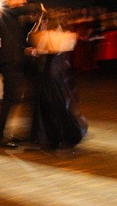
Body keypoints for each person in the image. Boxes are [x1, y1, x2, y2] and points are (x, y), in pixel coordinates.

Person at [26, 9, 87, 150]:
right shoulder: (70, 35)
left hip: (51, 71)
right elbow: (60, 50)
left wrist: (32, 49)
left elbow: (31, 40)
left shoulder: (48, 35)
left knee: (50, 104)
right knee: (62, 103)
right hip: (63, 71)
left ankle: (54, 138)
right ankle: (68, 135)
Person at [0, 0, 40, 148]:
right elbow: (28, 8)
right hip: (10, 62)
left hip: (17, 61)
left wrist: (26, 48)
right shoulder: (6, 12)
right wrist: (38, 7)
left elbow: (18, 39)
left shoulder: (16, 16)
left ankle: (5, 134)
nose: (24, 1)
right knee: (10, 99)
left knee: (15, 98)